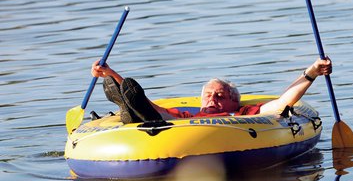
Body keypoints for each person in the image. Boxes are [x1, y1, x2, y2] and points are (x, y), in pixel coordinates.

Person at [91, 57, 332, 123]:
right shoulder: (190, 114)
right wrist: (112, 74)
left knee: (151, 114)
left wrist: (311, 72)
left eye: (220, 95)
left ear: (233, 102)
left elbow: (282, 103)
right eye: (208, 94)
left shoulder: (245, 113)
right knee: (153, 111)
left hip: (227, 131)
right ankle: (125, 104)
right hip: (173, 127)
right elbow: (148, 103)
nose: (213, 99)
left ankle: (130, 112)